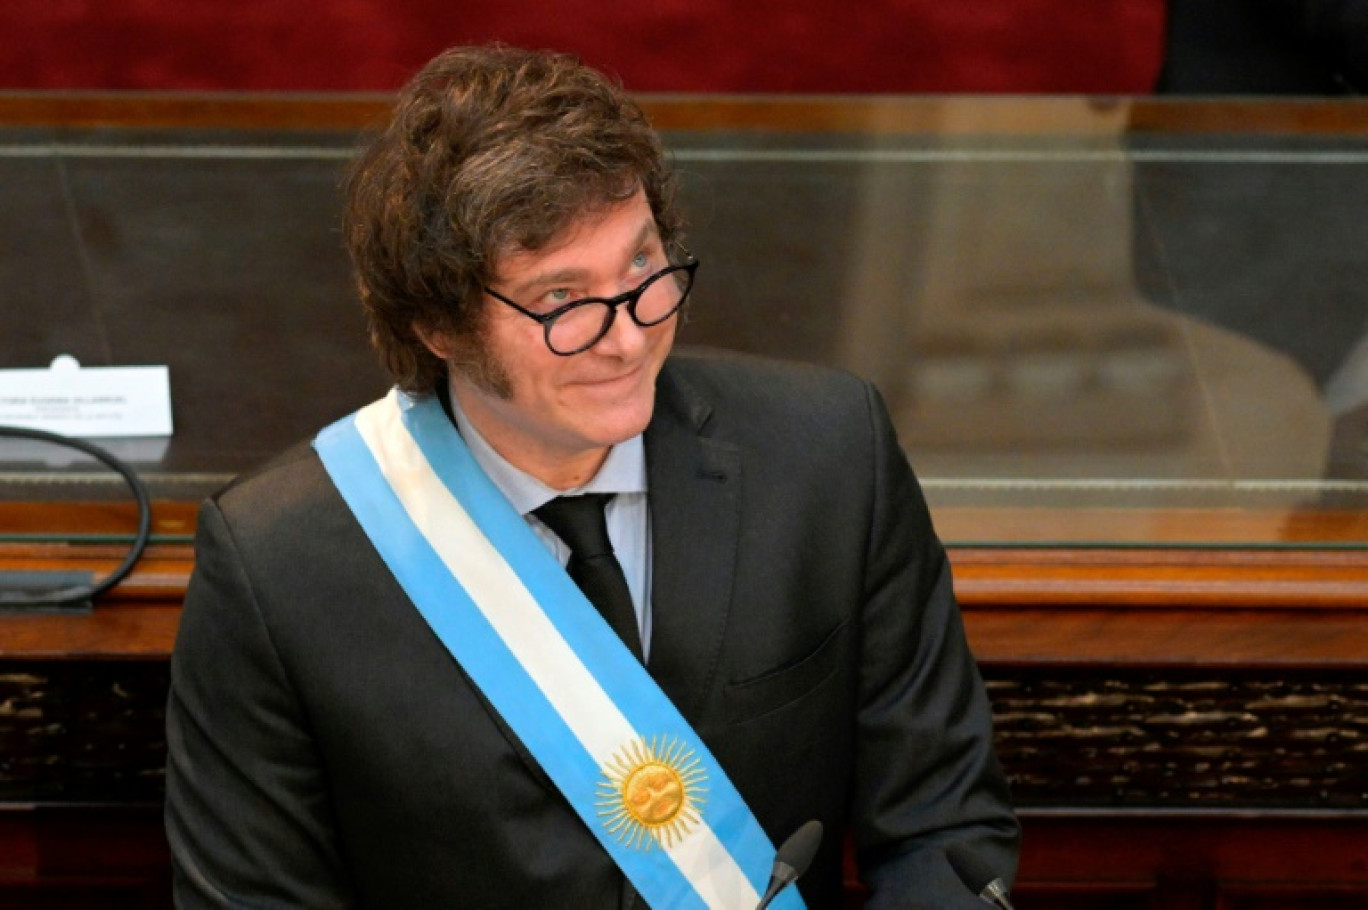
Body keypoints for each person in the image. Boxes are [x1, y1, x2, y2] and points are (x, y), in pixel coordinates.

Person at [164, 44, 1018, 909]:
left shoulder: (831, 457)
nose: (629, 337)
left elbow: (942, 829)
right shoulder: (276, 566)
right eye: (563, 301)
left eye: (643, 269)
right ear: (439, 325)